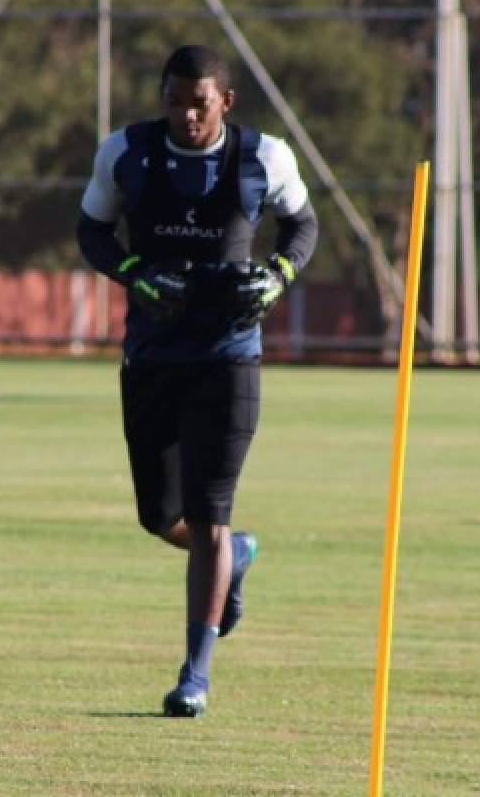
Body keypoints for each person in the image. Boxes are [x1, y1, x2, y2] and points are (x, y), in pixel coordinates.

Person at [76, 44, 318, 717]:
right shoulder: (125, 152)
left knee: (211, 511)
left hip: (229, 359)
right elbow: (92, 229)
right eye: (175, 100)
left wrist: (277, 277)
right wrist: (132, 272)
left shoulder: (263, 158)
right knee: (162, 518)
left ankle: (195, 675)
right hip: (152, 357)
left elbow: (302, 224)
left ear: (225, 103)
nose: (185, 114)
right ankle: (235, 556)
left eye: (199, 103)